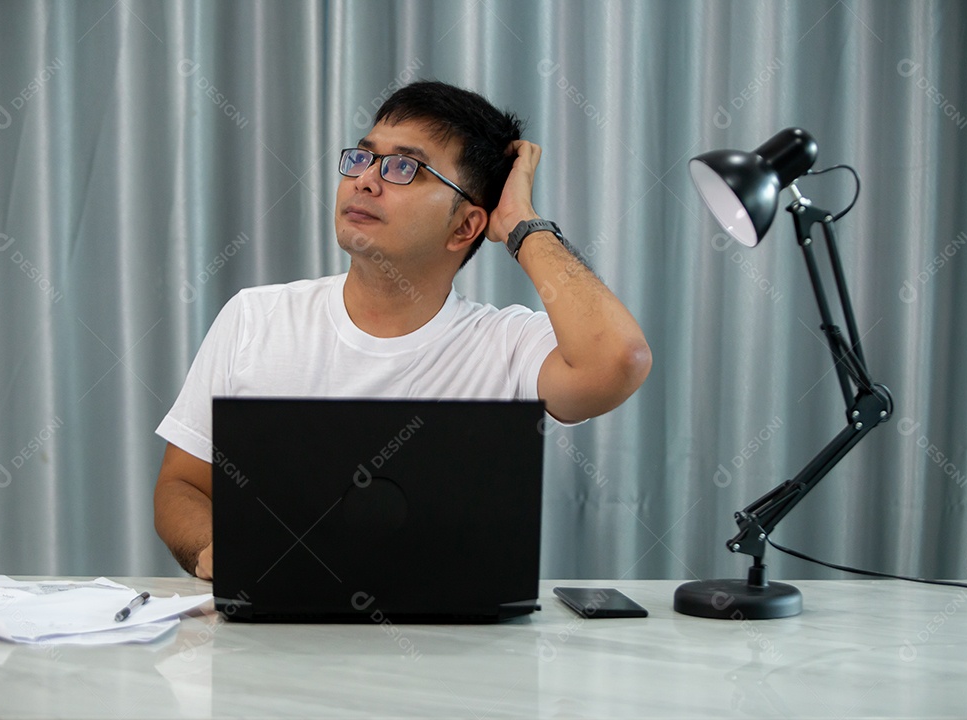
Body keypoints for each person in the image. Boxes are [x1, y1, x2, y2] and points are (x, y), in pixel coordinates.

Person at [153, 80, 652, 579]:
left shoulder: (509, 344)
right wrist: (217, 552)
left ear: (465, 227)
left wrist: (521, 221)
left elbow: (618, 360)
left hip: (460, 648)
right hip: (270, 637)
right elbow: (183, 485)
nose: (365, 181)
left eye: (404, 168)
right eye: (362, 158)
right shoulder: (254, 318)